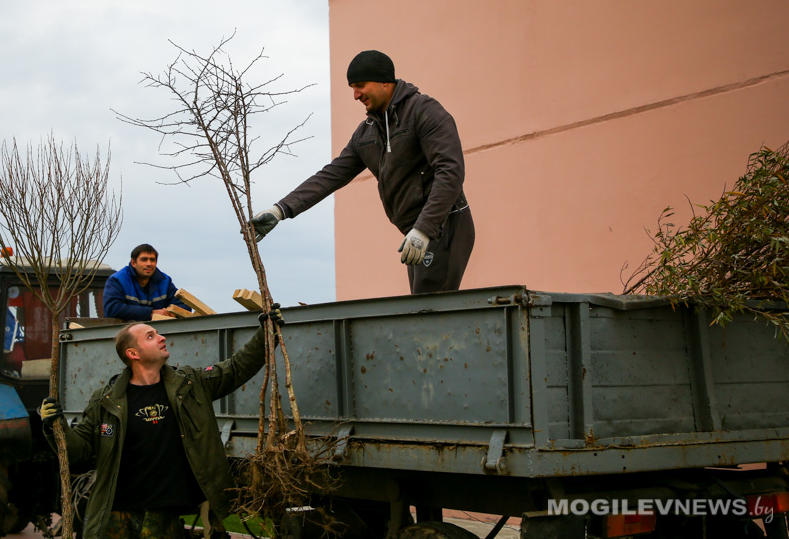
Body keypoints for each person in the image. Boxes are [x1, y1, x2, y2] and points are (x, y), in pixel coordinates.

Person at [39, 308, 281, 539]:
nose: (162, 337)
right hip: (116, 514)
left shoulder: (190, 384)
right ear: (133, 353)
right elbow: (79, 450)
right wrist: (54, 426)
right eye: (151, 336)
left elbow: (237, 367)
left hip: (164, 515)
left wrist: (266, 333)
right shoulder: (106, 400)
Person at [250, 50, 475, 294]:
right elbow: (330, 176)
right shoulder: (367, 133)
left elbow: (450, 171)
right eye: (352, 88)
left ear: (385, 82)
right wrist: (280, 209)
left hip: (444, 223)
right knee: (424, 312)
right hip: (416, 232)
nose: (356, 95)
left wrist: (424, 229)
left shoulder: (424, 111)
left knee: (429, 314)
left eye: (360, 86)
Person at [103, 244, 189, 320]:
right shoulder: (117, 280)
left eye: (152, 260)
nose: (149, 264)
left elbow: (185, 306)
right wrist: (151, 313)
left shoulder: (165, 281)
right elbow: (112, 309)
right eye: (144, 259)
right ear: (133, 262)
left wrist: (171, 311)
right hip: (127, 333)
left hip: (160, 333)